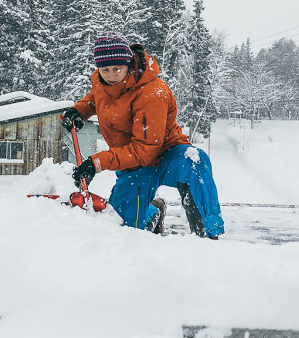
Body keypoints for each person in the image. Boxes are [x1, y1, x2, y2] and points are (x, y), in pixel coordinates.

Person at [61, 33, 224, 239]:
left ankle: (207, 236)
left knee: (195, 161)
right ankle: (153, 213)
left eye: (117, 69)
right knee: (120, 227)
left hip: (166, 154)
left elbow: (145, 151)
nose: (111, 75)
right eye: (105, 70)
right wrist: (80, 111)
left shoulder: (152, 92)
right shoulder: (100, 80)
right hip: (132, 163)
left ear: (128, 63)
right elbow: (97, 97)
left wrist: (97, 162)